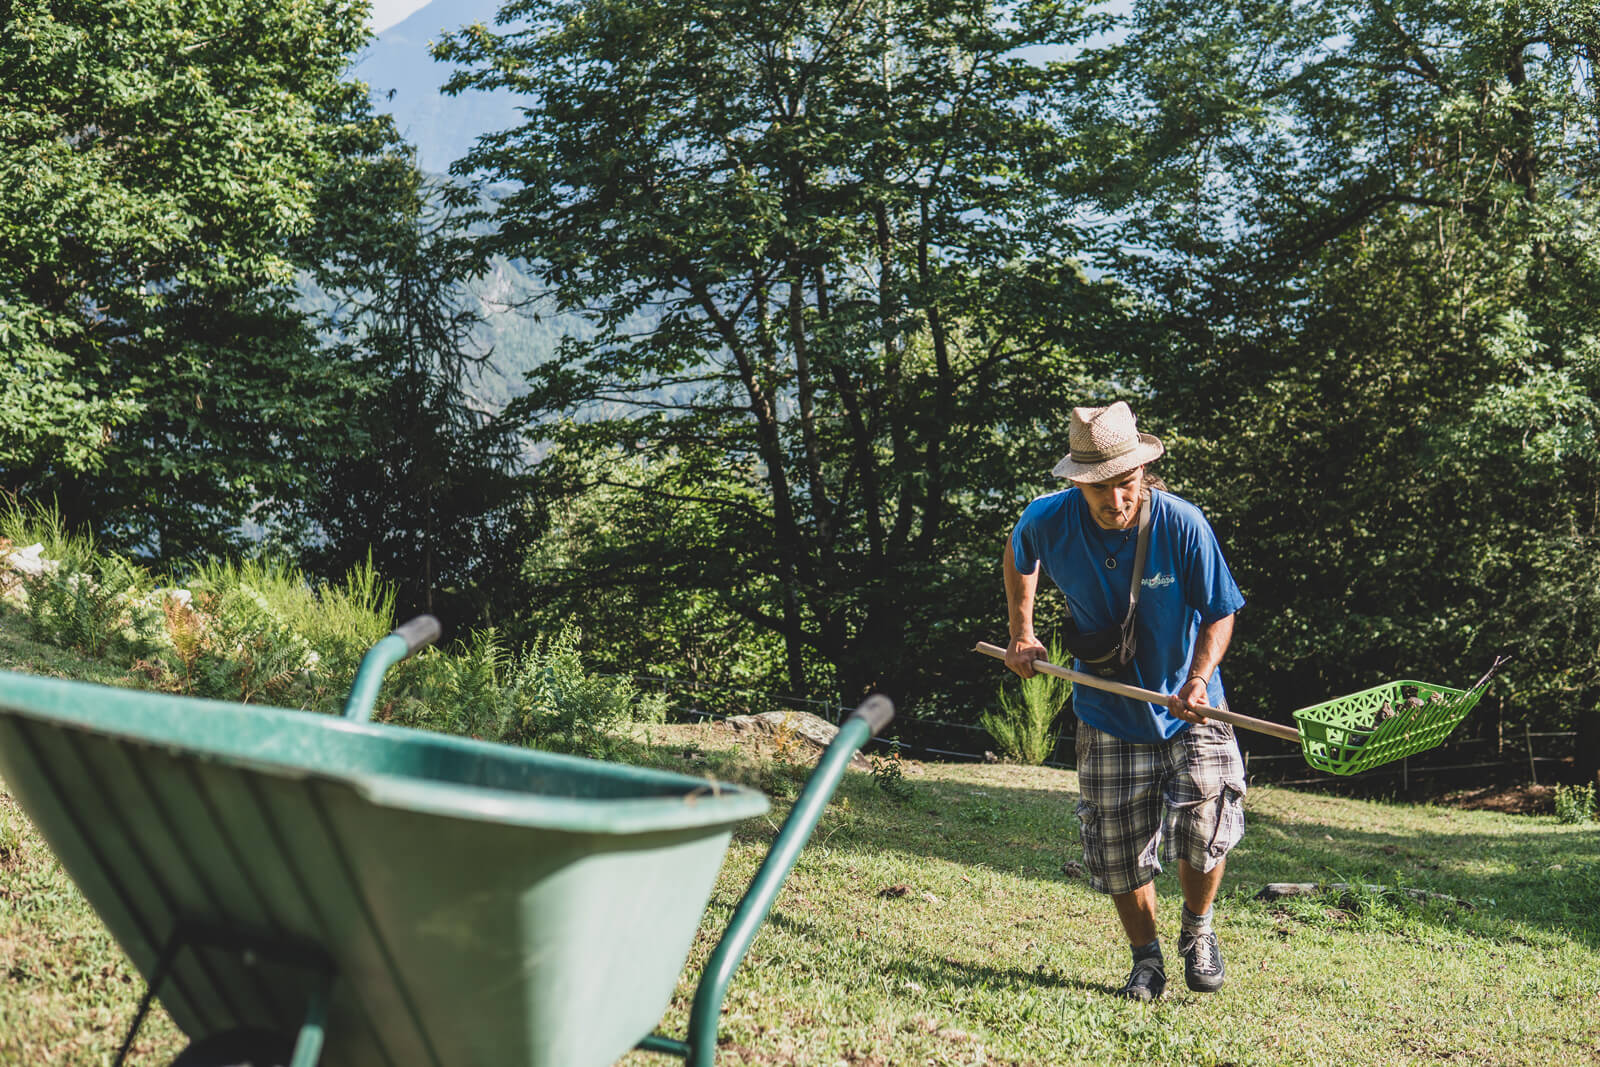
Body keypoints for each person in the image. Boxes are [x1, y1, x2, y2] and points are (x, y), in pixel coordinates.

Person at [1003, 401, 1247, 1001]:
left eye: (1127, 485)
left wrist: (1197, 679)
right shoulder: (1048, 519)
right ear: (1078, 484)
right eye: (1102, 490)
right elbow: (1019, 556)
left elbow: (1221, 611)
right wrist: (1022, 631)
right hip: (1107, 710)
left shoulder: (1182, 523)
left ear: (1143, 474)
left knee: (1206, 827)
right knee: (1118, 850)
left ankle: (1199, 930)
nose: (1117, 501)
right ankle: (1146, 958)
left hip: (1192, 705)